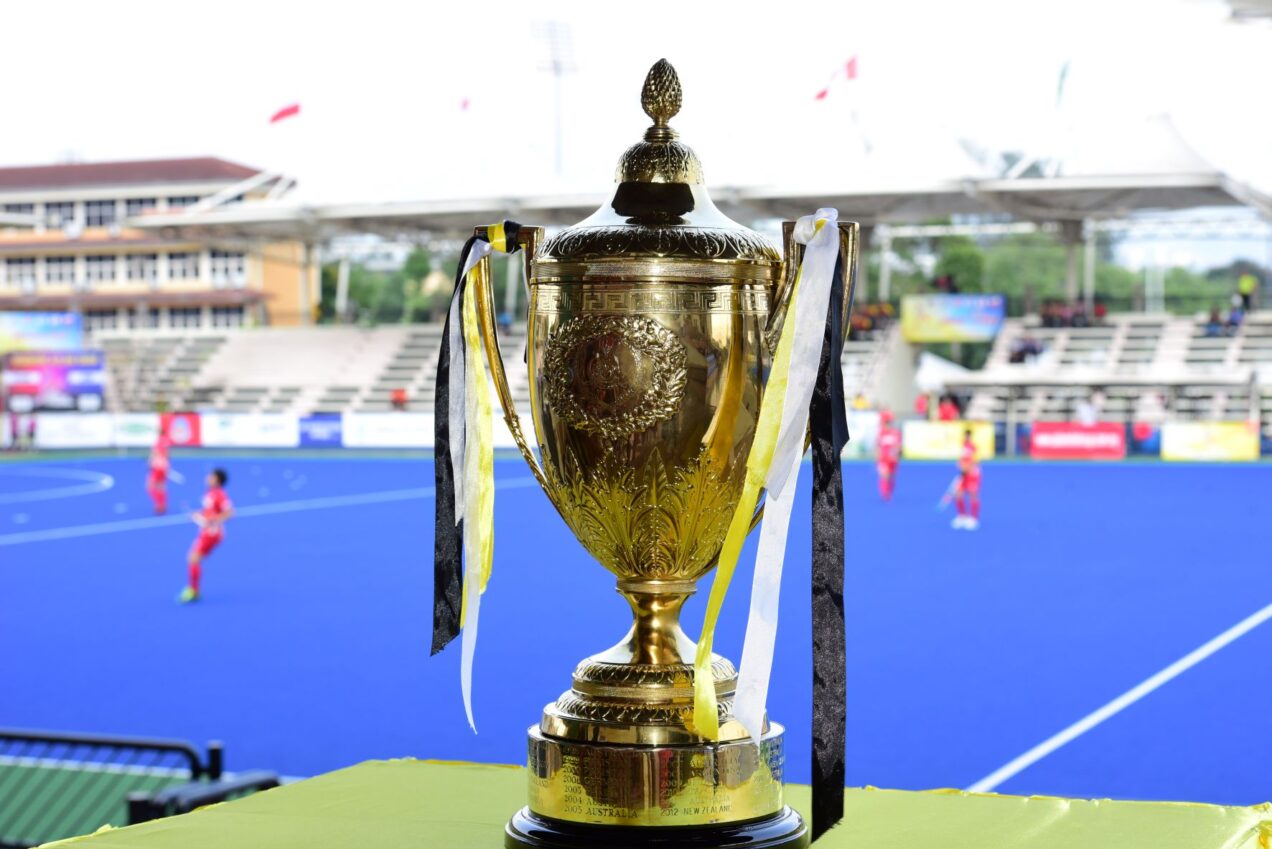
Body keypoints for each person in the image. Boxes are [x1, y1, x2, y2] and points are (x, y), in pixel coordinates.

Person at [179, 468, 233, 604]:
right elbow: (209, 511)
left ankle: (193, 591)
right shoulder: (210, 493)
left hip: (211, 533)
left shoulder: (220, 494)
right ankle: (194, 590)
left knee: (193, 558)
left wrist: (213, 520)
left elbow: (230, 512)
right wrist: (198, 515)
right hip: (207, 531)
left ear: (217, 480)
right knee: (194, 559)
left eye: (211, 476)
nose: (208, 477)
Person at [952, 429, 981, 530]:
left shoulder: (973, 447)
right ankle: (962, 516)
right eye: (965, 436)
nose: (966, 438)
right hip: (963, 473)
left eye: (968, 436)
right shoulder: (963, 446)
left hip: (973, 474)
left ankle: (974, 518)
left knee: (973, 494)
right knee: (958, 494)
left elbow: (975, 462)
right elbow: (961, 460)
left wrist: (967, 468)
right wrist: (960, 466)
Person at [875, 410, 902, 501]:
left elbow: (898, 446)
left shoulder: (896, 433)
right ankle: (885, 493)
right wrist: (877, 457)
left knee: (892, 477)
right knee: (884, 475)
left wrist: (897, 454)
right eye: (886, 422)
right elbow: (878, 446)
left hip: (892, 459)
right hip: (883, 459)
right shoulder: (881, 433)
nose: (887, 424)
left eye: (889, 422)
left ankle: (889, 491)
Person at [146, 427, 173, 514]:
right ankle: (163, 504)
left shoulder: (158, 441)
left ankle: (158, 504)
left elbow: (155, 453)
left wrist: (150, 462)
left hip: (157, 466)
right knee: (161, 486)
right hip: (164, 466)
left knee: (150, 486)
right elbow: (167, 454)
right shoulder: (166, 441)